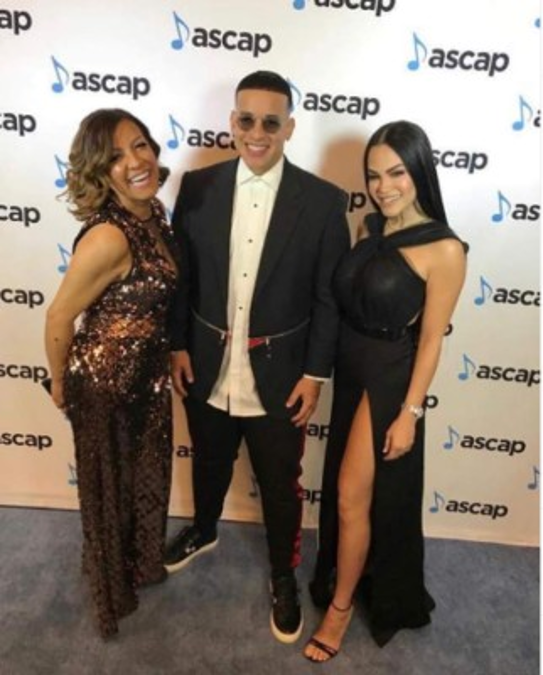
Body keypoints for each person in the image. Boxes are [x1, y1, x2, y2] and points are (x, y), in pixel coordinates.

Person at [166, 70, 351, 644]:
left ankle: (282, 574)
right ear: (232, 122)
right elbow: (181, 279)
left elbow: (327, 300)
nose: (257, 132)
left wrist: (315, 375)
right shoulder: (197, 186)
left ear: (289, 128)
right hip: (206, 363)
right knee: (209, 461)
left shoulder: (324, 202)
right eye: (246, 119)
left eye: (271, 122)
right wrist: (177, 344)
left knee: (279, 484)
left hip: (282, 373)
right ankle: (204, 529)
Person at [304, 120, 468, 661]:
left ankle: (340, 609)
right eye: (374, 175)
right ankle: (348, 576)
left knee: (351, 496)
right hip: (350, 370)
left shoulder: (444, 249)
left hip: (388, 380)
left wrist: (410, 413)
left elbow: (431, 340)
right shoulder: (367, 226)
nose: (383, 186)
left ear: (419, 171)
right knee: (348, 496)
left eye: (397, 173)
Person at [44, 108, 179, 639]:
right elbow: (59, 317)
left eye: (140, 145)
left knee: (144, 480)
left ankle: (138, 564)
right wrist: (60, 382)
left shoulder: (153, 213)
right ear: (100, 172)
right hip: (103, 383)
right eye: (116, 156)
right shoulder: (108, 236)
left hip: (146, 377)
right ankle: (112, 587)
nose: (135, 161)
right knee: (110, 490)